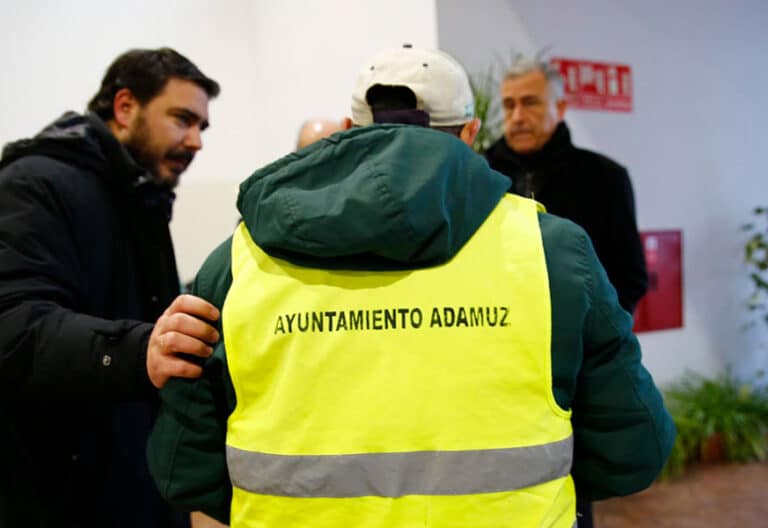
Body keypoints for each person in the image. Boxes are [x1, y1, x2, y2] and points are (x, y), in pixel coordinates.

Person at [147, 45, 675, 528]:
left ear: (351, 127)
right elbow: (633, 449)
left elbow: (185, 467)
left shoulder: (238, 261)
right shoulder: (552, 250)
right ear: (471, 134)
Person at [0, 48, 222, 528]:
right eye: (183, 119)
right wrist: (137, 350)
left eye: (202, 127)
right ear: (125, 108)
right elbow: (14, 325)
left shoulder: (141, 194)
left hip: (132, 485)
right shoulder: (33, 185)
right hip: (61, 498)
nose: (196, 141)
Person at [485, 58, 648, 315]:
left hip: (581, 343)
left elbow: (630, 277)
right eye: (509, 105)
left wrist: (597, 336)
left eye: (530, 103)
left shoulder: (605, 177)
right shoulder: (480, 175)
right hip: (499, 338)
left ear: (560, 108)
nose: (517, 117)